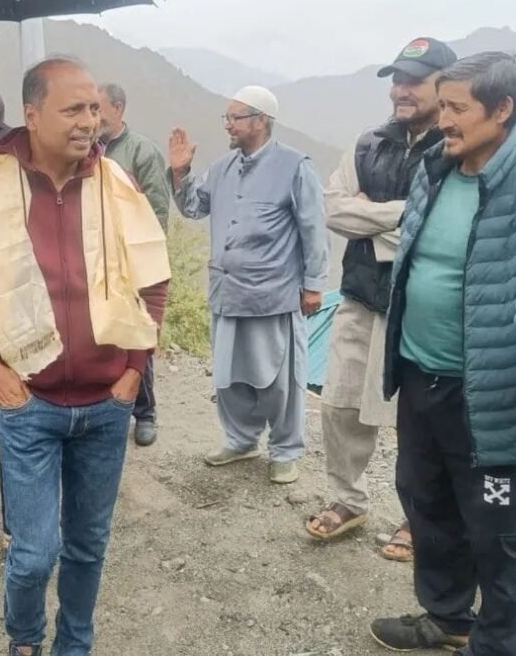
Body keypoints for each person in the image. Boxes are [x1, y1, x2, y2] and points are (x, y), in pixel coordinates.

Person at [0, 57, 169, 656]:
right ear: (33, 115)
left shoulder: (118, 186)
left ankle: (75, 645)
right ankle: (24, 638)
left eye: (94, 108)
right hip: (30, 404)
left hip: (106, 404)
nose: (89, 121)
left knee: (89, 544)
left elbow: (154, 280)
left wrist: (133, 374)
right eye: (73, 109)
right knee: (35, 554)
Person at [370, 52, 516, 655]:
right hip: (422, 379)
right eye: (441, 105)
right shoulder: (434, 168)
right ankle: (446, 616)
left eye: (456, 108)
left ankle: (499, 647)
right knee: (429, 508)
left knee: (502, 538)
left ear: (502, 109)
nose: (442, 119)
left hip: (494, 396)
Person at [306, 38, 457, 557]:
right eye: (396, 79)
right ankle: (348, 500)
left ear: (445, 84)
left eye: (414, 80)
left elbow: (440, 227)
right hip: (360, 296)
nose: (401, 90)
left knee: (417, 420)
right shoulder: (369, 143)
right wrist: (401, 215)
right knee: (339, 405)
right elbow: (333, 209)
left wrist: (370, 214)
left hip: (419, 308)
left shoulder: (456, 148)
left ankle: (419, 519)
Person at [169, 87, 328, 484]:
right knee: (229, 375)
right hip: (227, 292)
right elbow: (192, 206)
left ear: (261, 120)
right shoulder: (223, 167)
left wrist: (313, 285)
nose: (228, 124)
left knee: (280, 379)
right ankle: (240, 440)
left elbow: (313, 229)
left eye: (235, 117)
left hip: (273, 293)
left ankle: (286, 450)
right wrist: (179, 172)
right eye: (227, 117)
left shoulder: (295, 166)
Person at [98, 81, 169, 447]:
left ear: (119, 108)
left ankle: (146, 412)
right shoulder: (89, 151)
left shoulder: (142, 151)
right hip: (99, 263)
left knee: (139, 336)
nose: (94, 117)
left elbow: (157, 211)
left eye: (99, 108)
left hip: (135, 263)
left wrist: (147, 264)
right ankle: (113, 409)